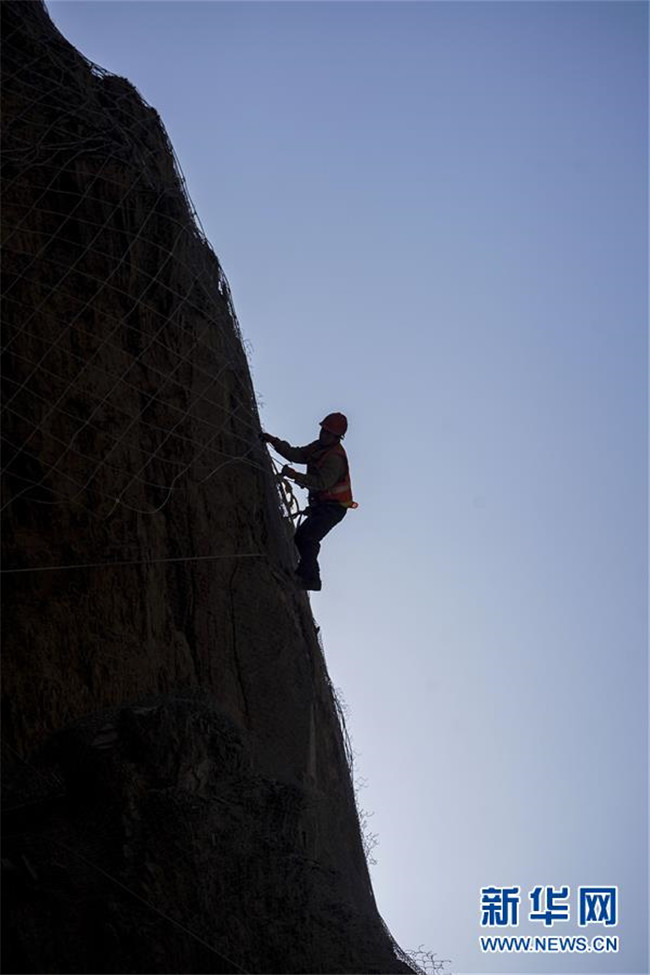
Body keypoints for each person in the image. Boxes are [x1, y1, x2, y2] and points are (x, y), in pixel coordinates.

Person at [262, 412, 355, 591]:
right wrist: (274, 442)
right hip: (324, 505)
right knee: (301, 537)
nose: (323, 435)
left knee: (308, 537)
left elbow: (321, 483)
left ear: (337, 438)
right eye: (323, 430)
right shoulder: (318, 447)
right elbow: (296, 454)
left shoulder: (335, 458)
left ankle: (310, 579)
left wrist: (294, 475)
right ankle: (303, 575)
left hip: (334, 508)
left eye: (328, 433)